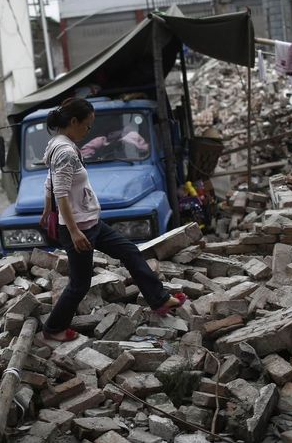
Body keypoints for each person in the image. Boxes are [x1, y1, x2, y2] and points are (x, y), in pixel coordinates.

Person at [40, 97, 186, 342]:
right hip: (80, 229)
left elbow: (51, 181)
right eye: (87, 126)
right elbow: (61, 192)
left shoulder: (59, 143)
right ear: (73, 121)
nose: (88, 131)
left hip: (91, 223)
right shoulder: (64, 151)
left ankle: (159, 300)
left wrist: (47, 209)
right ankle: (54, 328)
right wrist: (74, 232)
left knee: (129, 251)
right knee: (79, 284)